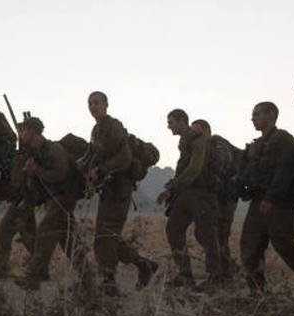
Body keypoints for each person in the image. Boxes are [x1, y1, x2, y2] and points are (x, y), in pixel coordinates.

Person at [82, 91, 158, 296]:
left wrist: (101, 170)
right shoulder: (97, 130)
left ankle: (109, 282)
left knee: (105, 236)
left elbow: (124, 158)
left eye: (97, 102)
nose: (93, 106)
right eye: (90, 103)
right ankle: (143, 264)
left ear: (106, 105)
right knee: (107, 235)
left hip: (120, 188)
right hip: (109, 188)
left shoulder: (112, 126)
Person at [237, 102, 294, 291]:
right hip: (259, 202)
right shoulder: (258, 145)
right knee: (250, 245)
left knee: (283, 245)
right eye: (253, 115)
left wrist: (271, 198)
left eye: (257, 114)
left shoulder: (283, 140)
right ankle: (257, 290)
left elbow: (284, 172)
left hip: (280, 204)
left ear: (270, 114)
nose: (253, 118)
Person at [156, 109, 224, 290]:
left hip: (202, 194)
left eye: (171, 122)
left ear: (181, 121)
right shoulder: (185, 140)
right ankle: (185, 275)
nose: (169, 126)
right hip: (186, 193)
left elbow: (195, 168)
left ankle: (215, 278)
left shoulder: (198, 139)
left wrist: (172, 187)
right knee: (173, 229)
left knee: (207, 235)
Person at [14, 116, 84, 290]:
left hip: (63, 198)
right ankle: (88, 280)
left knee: (45, 233)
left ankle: (34, 277)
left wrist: (37, 170)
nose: (21, 134)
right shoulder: (35, 153)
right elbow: (37, 186)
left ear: (32, 132)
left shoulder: (54, 149)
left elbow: (59, 174)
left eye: (23, 130)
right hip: (53, 199)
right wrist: (30, 173)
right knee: (69, 241)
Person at [191, 119, 240, 278]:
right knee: (204, 233)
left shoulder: (218, 144)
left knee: (219, 235)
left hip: (226, 198)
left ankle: (221, 274)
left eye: (197, 132)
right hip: (216, 197)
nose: (195, 136)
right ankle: (225, 267)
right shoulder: (204, 147)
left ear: (206, 131)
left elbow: (220, 165)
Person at [0, 146, 37, 278]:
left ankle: (2, 267)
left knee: (5, 230)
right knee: (28, 232)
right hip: (25, 200)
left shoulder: (27, 156)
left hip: (22, 200)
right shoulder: (24, 155)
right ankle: (40, 266)